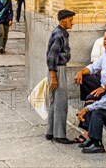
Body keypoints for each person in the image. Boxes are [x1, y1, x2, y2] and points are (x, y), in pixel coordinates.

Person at [46, 9, 76, 144]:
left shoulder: (60, 33)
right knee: (61, 102)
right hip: (58, 70)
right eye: (70, 20)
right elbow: (52, 56)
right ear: (63, 20)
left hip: (56, 70)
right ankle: (59, 135)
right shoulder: (59, 35)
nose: (72, 22)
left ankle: (51, 132)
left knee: (55, 101)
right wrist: (53, 75)